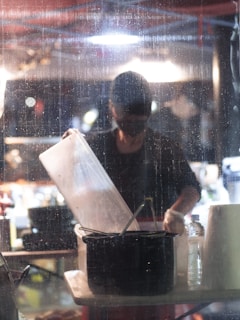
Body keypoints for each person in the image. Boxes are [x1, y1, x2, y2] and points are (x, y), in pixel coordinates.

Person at [63, 71, 201, 319]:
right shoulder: (98, 146)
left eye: (141, 119)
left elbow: (191, 188)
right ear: (112, 110)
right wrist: (73, 148)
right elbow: (74, 181)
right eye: (128, 118)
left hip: (154, 248)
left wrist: (176, 211)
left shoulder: (163, 147)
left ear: (148, 114)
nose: (134, 126)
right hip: (109, 247)